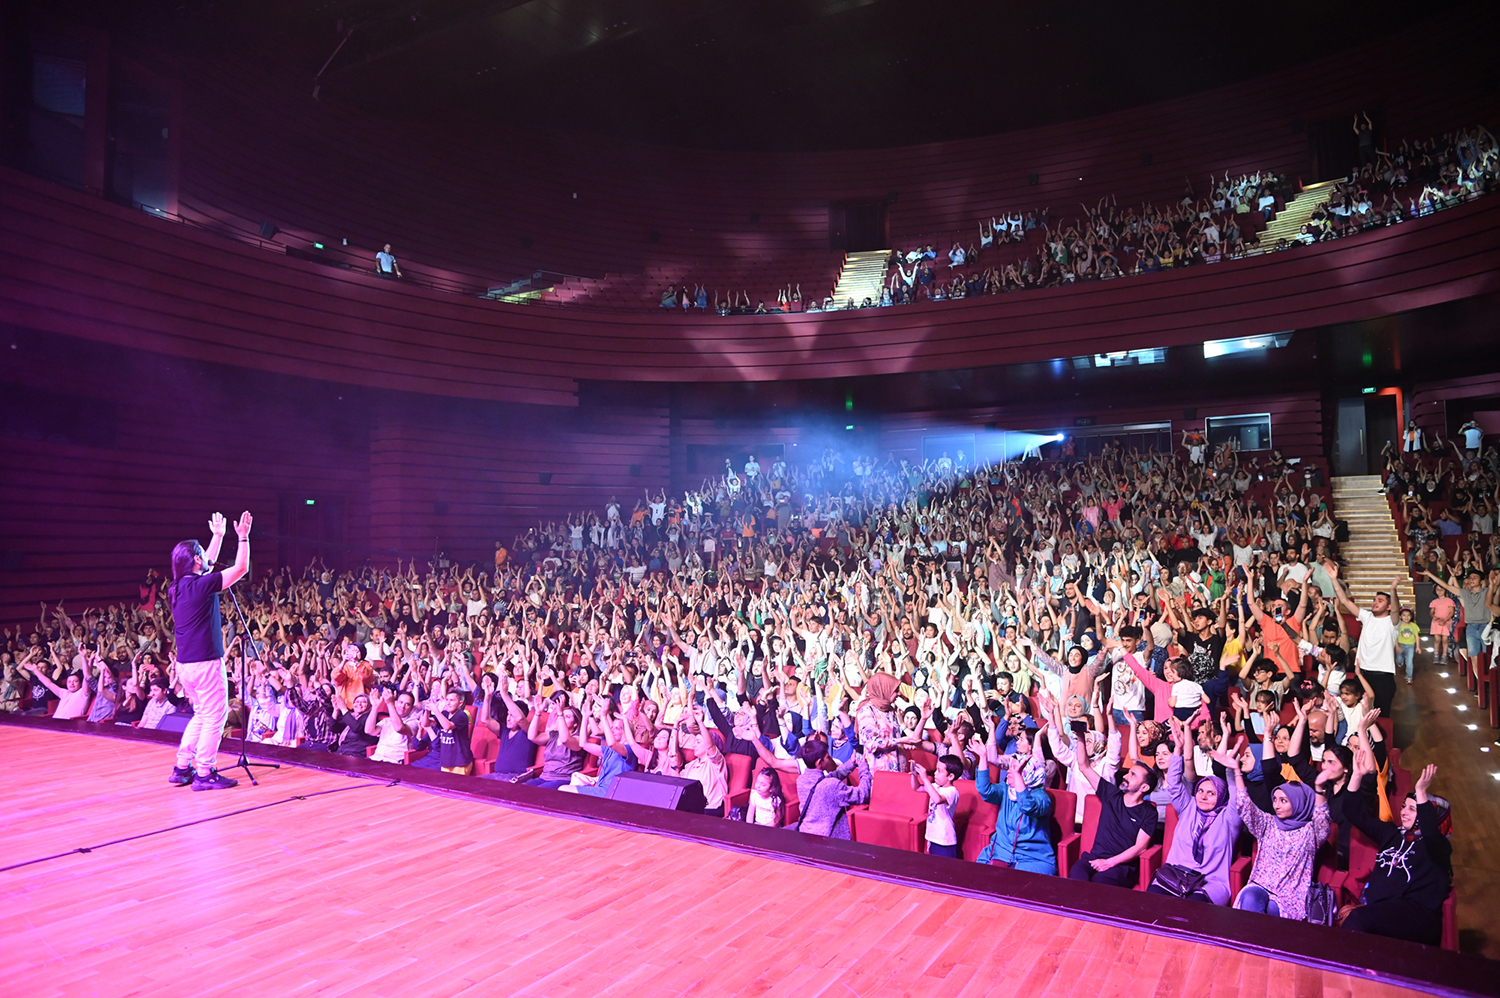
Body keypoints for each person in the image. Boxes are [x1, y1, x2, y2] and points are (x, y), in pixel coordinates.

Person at [165, 511, 253, 791]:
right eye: (202, 554)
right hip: (205, 663)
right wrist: (242, 537)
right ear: (197, 560)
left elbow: (203, 566)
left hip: (186, 665)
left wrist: (216, 537)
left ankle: (182, 767)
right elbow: (240, 568)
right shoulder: (201, 586)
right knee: (215, 717)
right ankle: (204, 771)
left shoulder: (176, 588)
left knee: (202, 715)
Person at [1339, 763, 1452, 944]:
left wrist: (1421, 792)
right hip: (1381, 909)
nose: (1404, 812)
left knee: (1358, 919)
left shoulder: (1438, 846)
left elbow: (1431, 833)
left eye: (1412, 809)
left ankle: (1345, 970)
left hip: (1416, 914)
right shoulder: (1391, 833)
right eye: (1404, 806)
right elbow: (1352, 811)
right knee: (1354, 918)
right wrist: (1357, 776)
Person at [1150, 717, 1242, 903]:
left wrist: (1233, 771)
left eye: (1211, 793)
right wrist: (1177, 749)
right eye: (1200, 790)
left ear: (1222, 797)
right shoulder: (1189, 806)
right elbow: (1174, 784)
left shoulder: (1229, 817)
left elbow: (1239, 799)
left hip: (1210, 882)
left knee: (1193, 910)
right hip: (1175, 875)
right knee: (1152, 904)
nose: (1203, 796)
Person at [1232, 763, 1330, 918]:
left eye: (1283, 801)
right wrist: (1237, 771)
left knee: (1272, 910)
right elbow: (1245, 806)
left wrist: (1319, 788)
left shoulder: (1310, 832)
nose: (1276, 805)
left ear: (1299, 802)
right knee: (1250, 898)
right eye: (1275, 800)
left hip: (1290, 896)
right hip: (1261, 885)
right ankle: (1246, 941)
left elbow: (1322, 817)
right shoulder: (1268, 823)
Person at [1067, 739, 1158, 887]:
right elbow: (1084, 767)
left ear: (1144, 787)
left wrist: (1109, 863)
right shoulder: (1111, 794)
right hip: (1094, 858)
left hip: (1121, 866)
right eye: (1128, 773)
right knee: (1077, 873)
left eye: (1133, 775)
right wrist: (1081, 739)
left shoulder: (1149, 812)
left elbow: (1140, 847)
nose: (1125, 776)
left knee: (1100, 882)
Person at [1328, 567, 1401, 715]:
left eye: (1380, 601)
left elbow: (1395, 610)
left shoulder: (1392, 622)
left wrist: (1393, 590)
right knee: (1357, 713)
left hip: (1382, 676)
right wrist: (1334, 579)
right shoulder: (1367, 617)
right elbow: (1344, 601)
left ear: (1388, 606)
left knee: (1380, 715)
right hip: (1361, 673)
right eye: (1374, 600)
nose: (1375, 603)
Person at [914, 755, 964, 858]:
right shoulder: (936, 786)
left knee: (944, 871)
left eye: (939, 771)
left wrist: (925, 778)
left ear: (950, 776)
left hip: (944, 841)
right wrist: (914, 774)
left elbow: (937, 799)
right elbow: (917, 788)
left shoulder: (952, 792)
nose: (935, 774)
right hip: (933, 837)